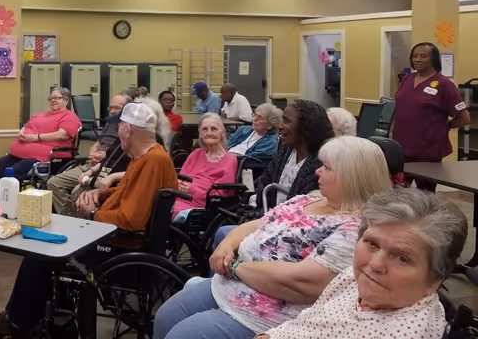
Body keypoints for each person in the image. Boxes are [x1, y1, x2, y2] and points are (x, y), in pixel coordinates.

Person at [0, 101, 178, 339]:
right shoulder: (146, 157)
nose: (117, 132)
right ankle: (45, 317)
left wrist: (92, 214)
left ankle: (18, 322)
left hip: (118, 245)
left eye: (120, 126)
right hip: (115, 236)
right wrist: (101, 193)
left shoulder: (151, 161)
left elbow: (131, 219)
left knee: (40, 252)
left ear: (128, 130)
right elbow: (130, 193)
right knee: (45, 241)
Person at [154, 136, 392, 339]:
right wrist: (226, 245)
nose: (317, 170)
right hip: (230, 285)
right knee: (165, 316)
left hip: (265, 313)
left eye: (327, 167)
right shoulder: (309, 199)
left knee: (181, 335)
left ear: (351, 177)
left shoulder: (356, 229)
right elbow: (255, 224)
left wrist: (235, 267)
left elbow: (304, 284)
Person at [257, 188, 467, 339]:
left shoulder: (402, 332)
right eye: (372, 243)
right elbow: (307, 320)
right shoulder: (356, 277)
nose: (375, 264)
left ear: (435, 280)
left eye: (402, 258)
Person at [212, 99, 334, 249]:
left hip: (294, 233)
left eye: (287, 121)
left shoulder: (322, 162)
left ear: (306, 127)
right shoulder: (285, 149)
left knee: (224, 234)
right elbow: (265, 183)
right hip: (268, 220)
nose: (281, 126)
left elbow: (306, 209)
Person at [0, 87, 80, 206]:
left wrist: (36, 137)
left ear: (66, 100)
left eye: (57, 98)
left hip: (42, 158)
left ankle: (5, 208)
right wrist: (21, 132)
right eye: (51, 98)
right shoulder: (40, 115)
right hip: (16, 154)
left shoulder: (69, 117)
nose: (53, 100)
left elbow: (62, 135)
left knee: (10, 175)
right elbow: (26, 126)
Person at [393, 42, 468, 191]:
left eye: (423, 56)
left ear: (434, 59)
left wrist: (445, 126)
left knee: (425, 195)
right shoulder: (407, 79)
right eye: (414, 56)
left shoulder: (444, 84)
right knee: (398, 193)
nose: (417, 59)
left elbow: (464, 118)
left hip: (427, 152)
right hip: (401, 148)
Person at [47, 93, 131, 214]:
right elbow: (98, 142)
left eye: (117, 108)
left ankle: (74, 218)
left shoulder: (128, 131)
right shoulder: (111, 122)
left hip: (107, 168)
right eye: (111, 107)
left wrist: (104, 157)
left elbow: (118, 155)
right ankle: (68, 215)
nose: (112, 111)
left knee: (79, 190)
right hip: (92, 163)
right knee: (53, 183)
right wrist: (92, 152)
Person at [172, 113, 237, 222]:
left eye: (214, 129)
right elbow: (181, 182)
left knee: (162, 211)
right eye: (205, 129)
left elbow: (221, 194)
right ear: (200, 134)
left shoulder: (230, 159)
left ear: (222, 133)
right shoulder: (195, 154)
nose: (209, 133)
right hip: (180, 198)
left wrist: (192, 189)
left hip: (203, 205)